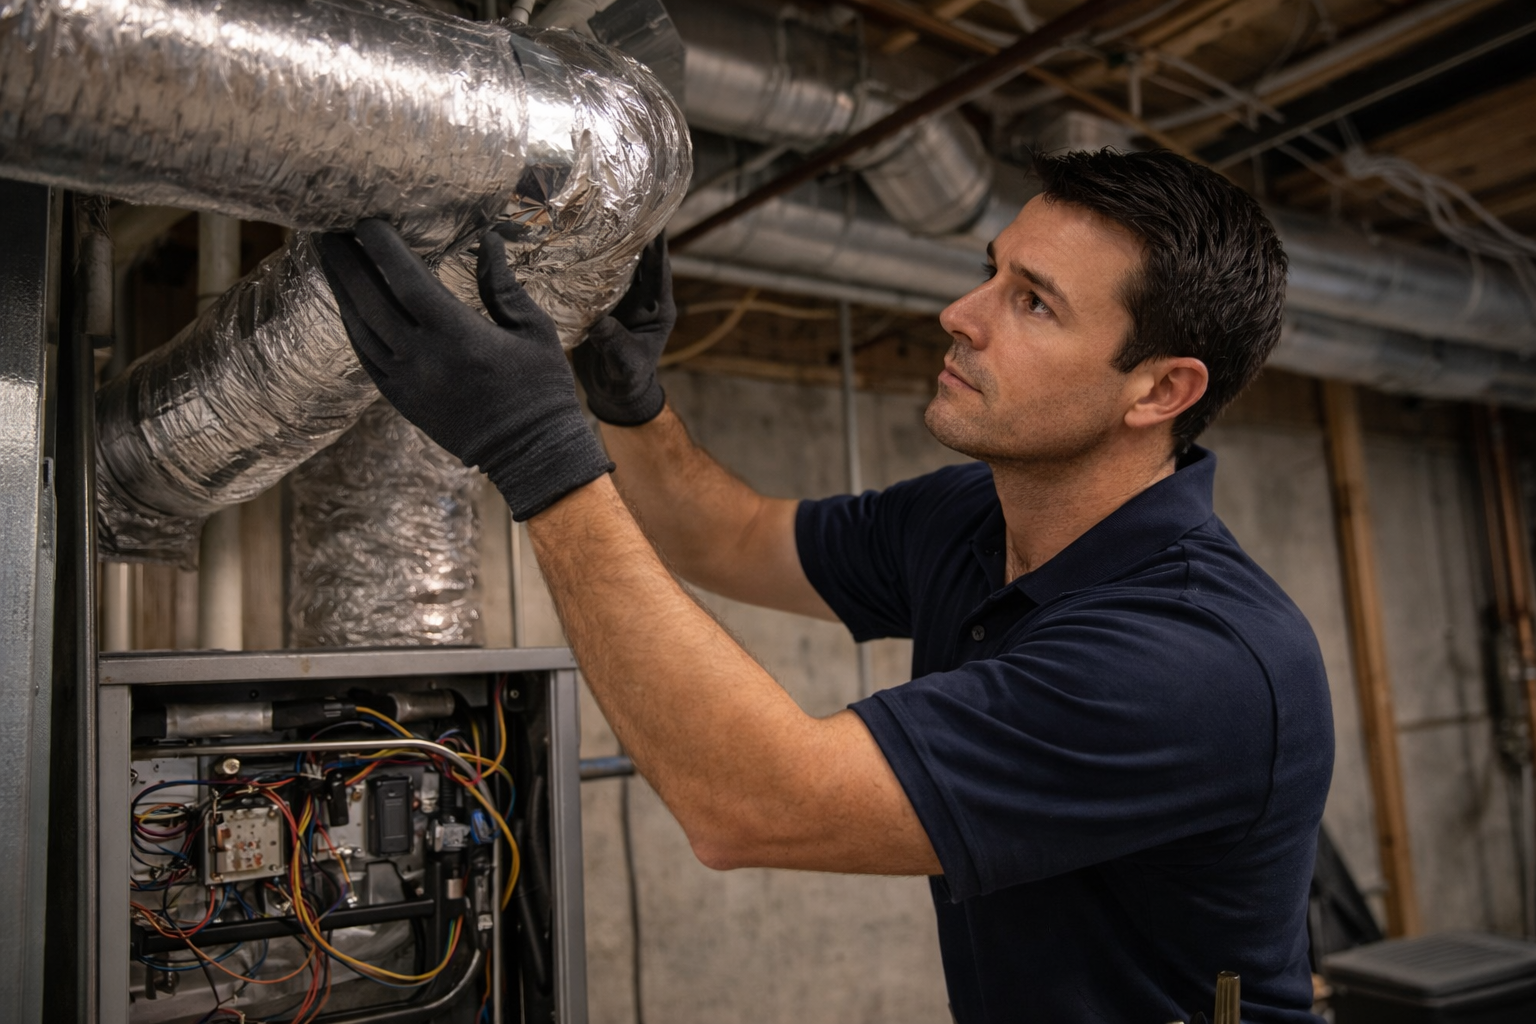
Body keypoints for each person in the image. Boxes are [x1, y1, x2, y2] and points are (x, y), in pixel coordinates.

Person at [317, 148, 1333, 1023]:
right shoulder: (974, 518)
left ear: (1160, 390)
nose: (960, 314)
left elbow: (753, 803)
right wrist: (622, 399)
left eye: (1033, 302)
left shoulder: (1193, 662)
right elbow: (734, 535)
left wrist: (533, 448)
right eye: (992, 272)